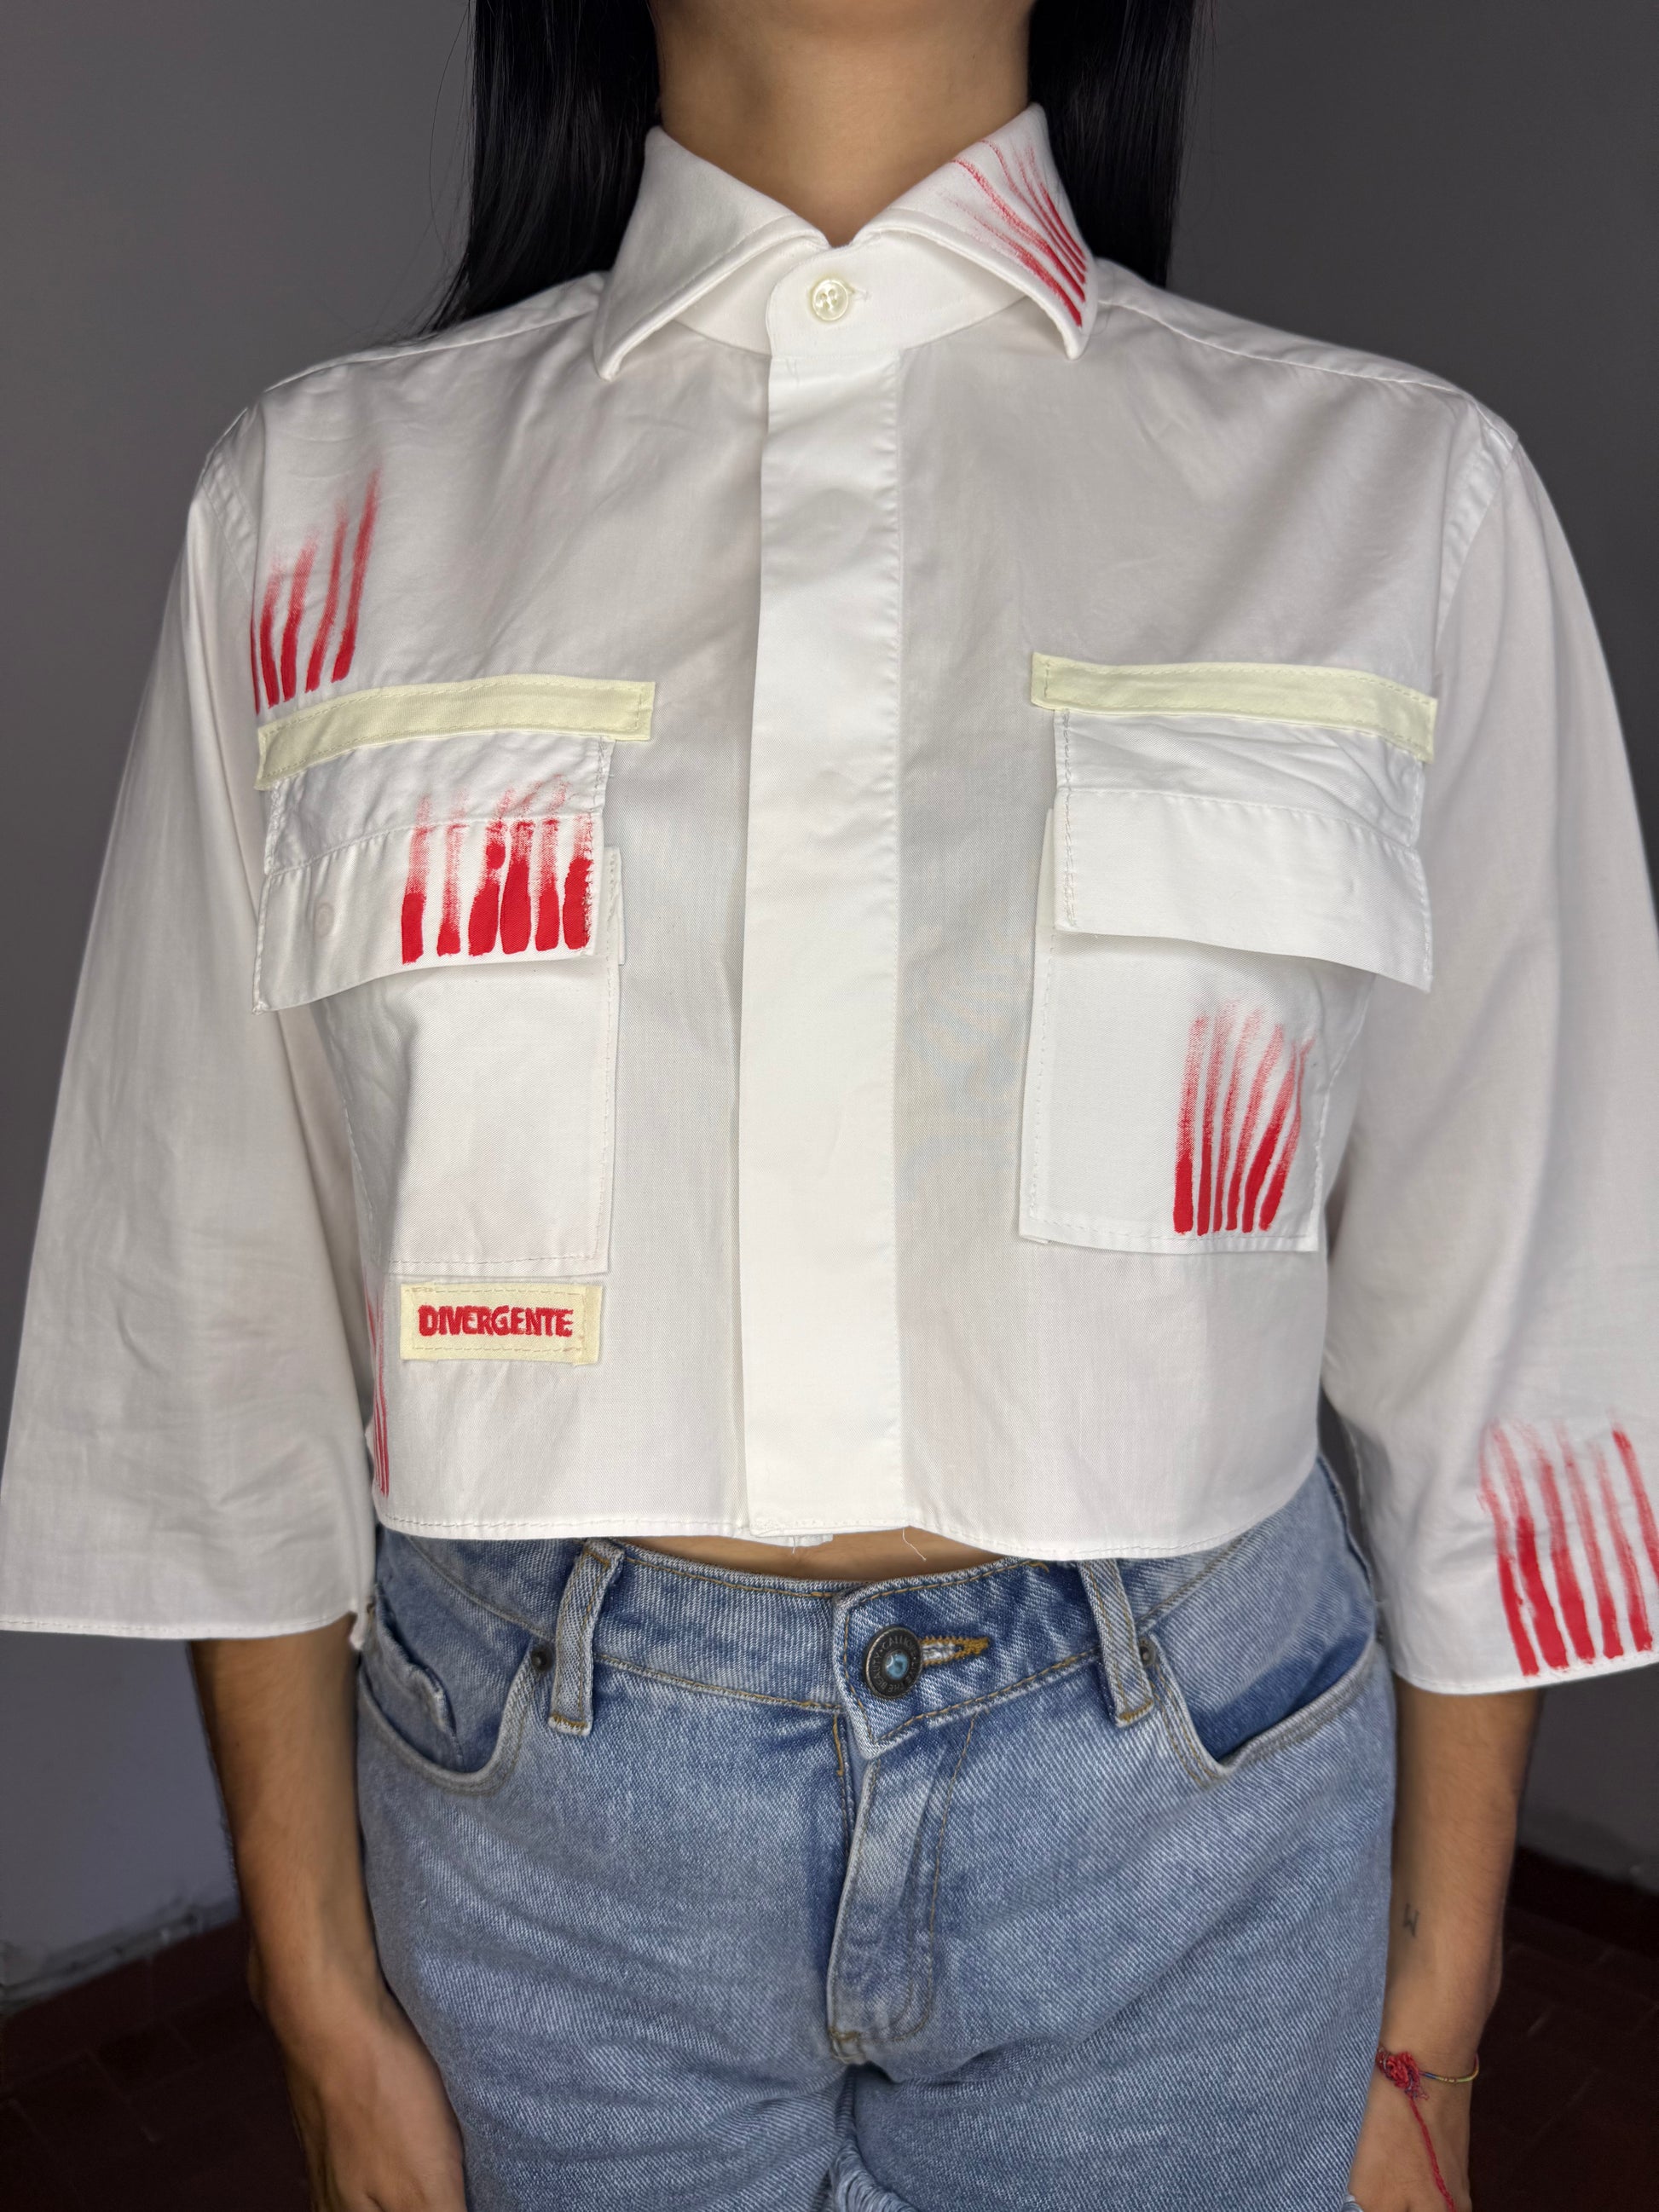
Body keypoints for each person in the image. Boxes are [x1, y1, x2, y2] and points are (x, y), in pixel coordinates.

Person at [3, 0, 1656, 2204]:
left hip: (1191, 1824)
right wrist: (311, 1982)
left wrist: (1432, 2011)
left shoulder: (1388, 497)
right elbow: (217, 1284)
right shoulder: (322, 506)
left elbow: (1516, 1297)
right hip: (537, 1848)